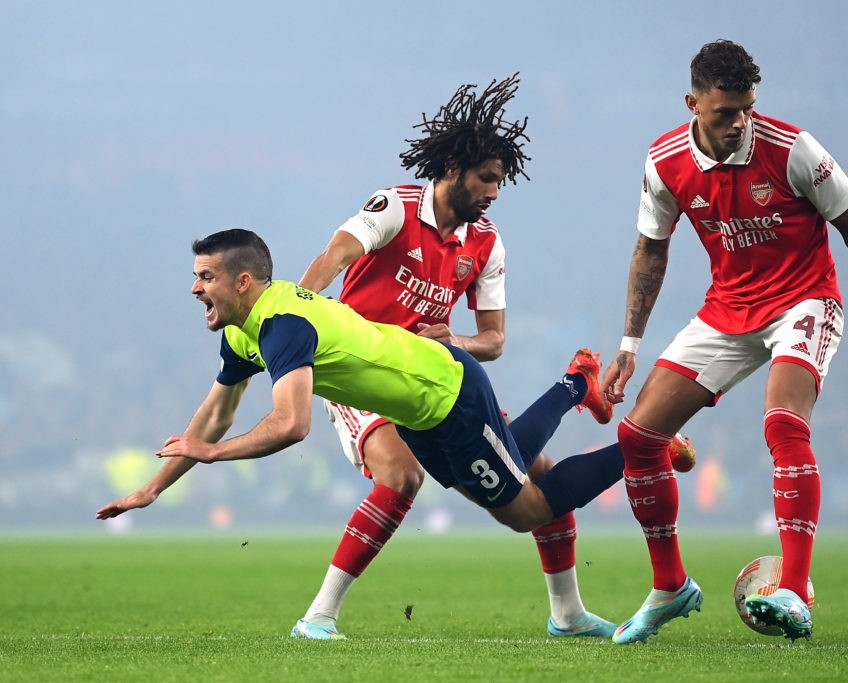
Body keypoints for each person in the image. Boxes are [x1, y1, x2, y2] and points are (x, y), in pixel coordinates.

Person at [96, 229, 628, 637]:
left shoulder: (283, 324)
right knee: (505, 475)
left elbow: (292, 424)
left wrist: (211, 454)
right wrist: (153, 488)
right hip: (418, 414)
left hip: (447, 391)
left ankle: (638, 445)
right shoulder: (244, 331)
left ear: (243, 282)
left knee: (526, 511)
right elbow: (212, 417)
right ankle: (576, 383)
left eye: (205, 277)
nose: (195, 287)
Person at [600, 39, 848, 644]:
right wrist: (630, 344)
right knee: (638, 436)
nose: (739, 123)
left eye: (747, 109)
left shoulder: (793, 150)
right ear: (692, 104)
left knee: (783, 423)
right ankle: (670, 585)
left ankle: (796, 589)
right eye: (725, 112)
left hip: (805, 299)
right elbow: (651, 251)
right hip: (727, 308)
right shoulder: (663, 162)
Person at [289, 74, 620, 640]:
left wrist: (454, 342)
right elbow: (337, 253)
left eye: (500, 183)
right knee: (401, 475)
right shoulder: (395, 206)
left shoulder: (486, 244)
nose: (494, 192)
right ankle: (318, 616)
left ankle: (566, 613)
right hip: (358, 376)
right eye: (487, 179)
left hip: (433, 380)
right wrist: (299, 309)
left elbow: (492, 341)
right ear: (452, 170)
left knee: (532, 473)